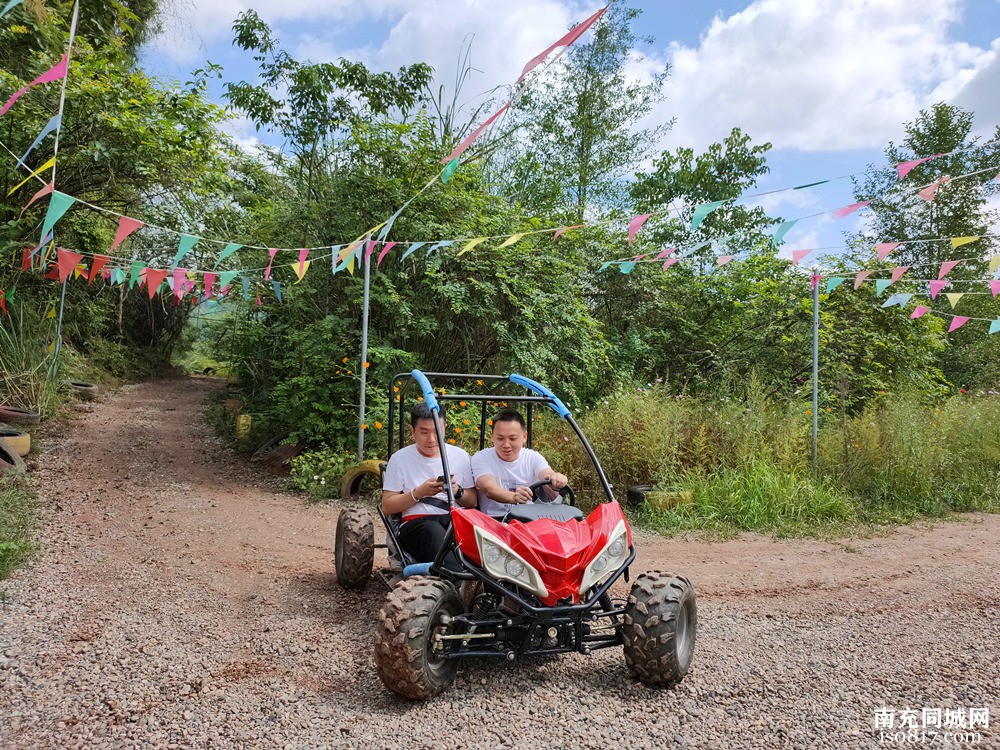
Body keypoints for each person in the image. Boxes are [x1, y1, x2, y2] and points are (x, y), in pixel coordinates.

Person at [381, 402, 476, 564]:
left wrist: (457, 491)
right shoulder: (400, 459)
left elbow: (472, 501)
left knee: (475, 531)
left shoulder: (460, 456)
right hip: (417, 523)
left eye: (437, 432)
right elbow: (387, 506)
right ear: (413, 431)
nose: (431, 439)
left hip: (453, 519)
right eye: (424, 432)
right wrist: (419, 493)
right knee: (433, 531)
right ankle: (459, 578)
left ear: (444, 428)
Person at [471, 409, 568, 517]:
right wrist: (513, 497)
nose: (506, 444)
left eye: (512, 439)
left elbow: (546, 474)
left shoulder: (532, 457)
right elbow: (489, 488)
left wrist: (556, 478)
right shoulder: (482, 457)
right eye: (500, 438)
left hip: (529, 519)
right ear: (492, 436)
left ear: (524, 437)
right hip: (494, 521)